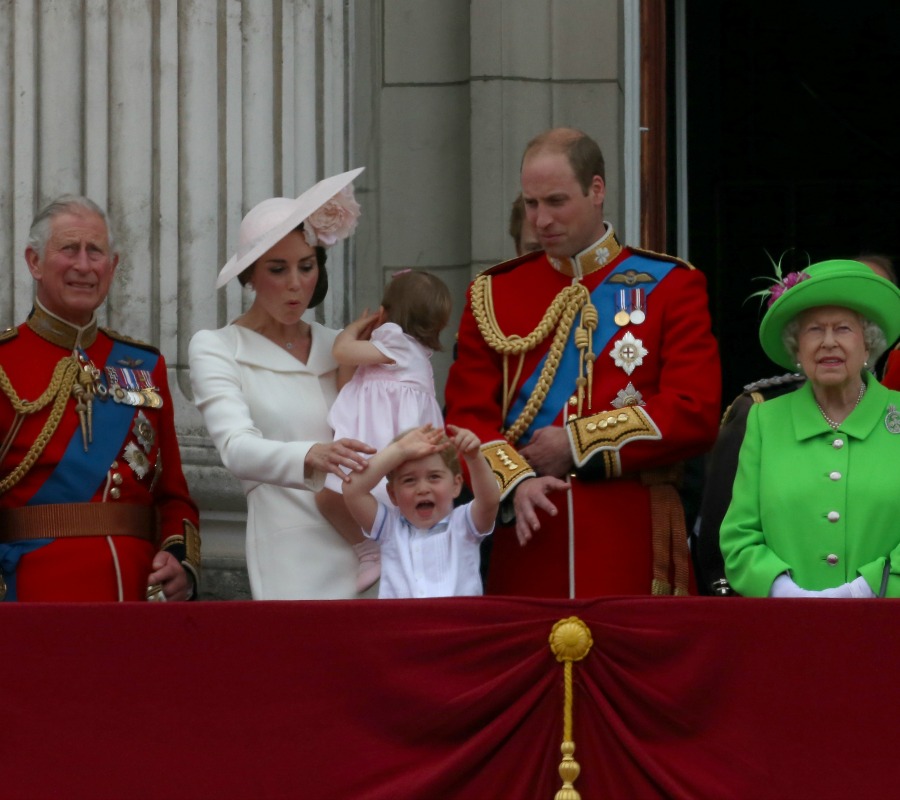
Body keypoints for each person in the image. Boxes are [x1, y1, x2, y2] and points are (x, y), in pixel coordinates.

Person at [445, 127, 721, 598]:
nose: (540, 221)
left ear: (597, 190)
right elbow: (467, 417)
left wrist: (578, 442)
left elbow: (694, 410)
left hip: (633, 540)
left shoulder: (671, 285)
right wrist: (516, 484)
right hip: (527, 541)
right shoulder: (493, 293)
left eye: (556, 201)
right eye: (531, 204)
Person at [189, 168, 378, 600]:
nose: (296, 284)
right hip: (290, 552)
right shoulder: (218, 347)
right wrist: (313, 453)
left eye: (306, 267)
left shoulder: (342, 346)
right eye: (278, 269)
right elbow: (236, 449)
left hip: (371, 543)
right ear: (250, 275)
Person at [0, 195, 200, 601]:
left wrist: (179, 560)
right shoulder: (5, 361)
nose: (84, 265)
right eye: (69, 249)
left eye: (96, 252)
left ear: (113, 267)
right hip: (31, 594)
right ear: (34, 262)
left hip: (135, 593)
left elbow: (173, 495)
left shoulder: (146, 366)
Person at [694, 254, 900, 595]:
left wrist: (863, 589)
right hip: (785, 627)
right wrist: (783, 591)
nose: (828, 342)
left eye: (843, 329)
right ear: (797, 348)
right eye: (814, 330)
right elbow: (738, 535)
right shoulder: (764, 421)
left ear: (869, 343)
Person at [315, 270, 451, 591]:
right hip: (388, 443)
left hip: (379, 446)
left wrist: (351, 332)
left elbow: (341, 353)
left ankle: (370, 551)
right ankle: (375, 552)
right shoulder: (411, 355)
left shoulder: (396, 342)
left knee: (329, 497)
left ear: (387, 313)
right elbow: (346, 384)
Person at [343, 424, 500, 598]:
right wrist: (400, 450)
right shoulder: (389, 528)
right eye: (409, 480)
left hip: (457, 623)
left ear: (456, 485)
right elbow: (353, 490)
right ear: (393, 494)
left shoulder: (464, 523)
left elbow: (489, 501)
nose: (423, 488)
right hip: (403, 624)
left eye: (434, 477)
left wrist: (474, 458)